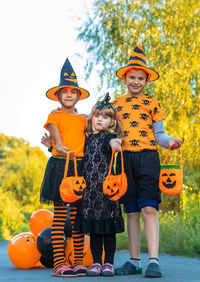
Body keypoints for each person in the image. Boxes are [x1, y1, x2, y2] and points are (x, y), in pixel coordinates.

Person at [112, 43, 182, 278]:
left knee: (149, 208)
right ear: (125, 78)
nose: (136, 81)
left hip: (148, 158)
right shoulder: (116, 105)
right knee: (131, 211)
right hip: (125, 160)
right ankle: (134, 260)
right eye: (132, 77)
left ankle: (153, 260)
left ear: (146, 81)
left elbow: (159, 134)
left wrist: (171, 140)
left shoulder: (152, 103)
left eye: (140, 78)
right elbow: (110, 132)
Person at [40, 58, 90, 277]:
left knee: (78, 217)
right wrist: (59, 148)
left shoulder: (85, 119)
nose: (69, 95)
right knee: (60, 217)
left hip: (80, 169)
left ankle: (78, 261)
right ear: (58, 96)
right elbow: (58, 142)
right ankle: (59, 264)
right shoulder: (54, 116)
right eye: (64, 92)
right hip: (61, 166)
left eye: (73, 91)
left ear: (78, 95)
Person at [73, 93, 125, 277]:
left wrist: (116, 142)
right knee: (95, 230)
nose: (100, 120)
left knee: (108, 230)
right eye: (97, 116)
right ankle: (96, 263)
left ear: (111, 121)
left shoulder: (109, 137)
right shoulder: (87, 139)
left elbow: (114, 141)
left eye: (105, 117)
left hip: (107, 191)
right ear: (91, 118)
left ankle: (108, 263)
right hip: (90, 192)